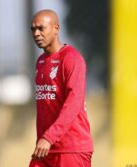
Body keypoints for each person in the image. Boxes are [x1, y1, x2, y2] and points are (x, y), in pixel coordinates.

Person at [29, 9, 93, 167]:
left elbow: (74, 102)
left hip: (71, 149)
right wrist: (45, 140)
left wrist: (49, 137)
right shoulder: (41, 61)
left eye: (41, 28)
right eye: (33, 29)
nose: (36, 33)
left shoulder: (71, 58)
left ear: (56, 28)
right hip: (45, 149)